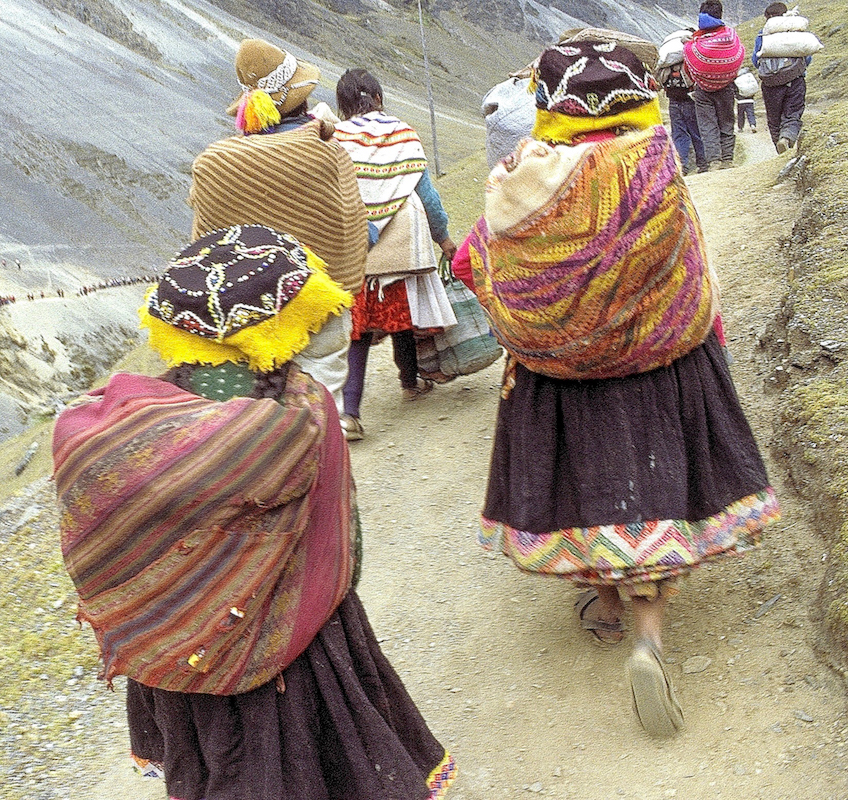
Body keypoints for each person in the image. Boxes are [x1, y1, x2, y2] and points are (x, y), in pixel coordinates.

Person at [52, 224, 456, 799]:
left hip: (180, 656)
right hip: (296, 649)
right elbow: (346, 548)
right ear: (279, 326)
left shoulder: (119, 427)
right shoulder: (302, 412)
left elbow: (110, 548)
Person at [453, 40, 779, 737]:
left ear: (551, 106)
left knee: (587, 480)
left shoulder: (520, 178)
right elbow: (692, 262)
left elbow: (473, 260)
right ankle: (649, 638)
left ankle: (604, 605)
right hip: (658, 364)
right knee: (652, 484)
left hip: (561, 376)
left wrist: (546, 315)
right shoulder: (656, 165)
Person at [189, 39, 368, 419]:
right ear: (301, 99)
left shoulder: (214, 165)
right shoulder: (324, 152)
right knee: (320, 408)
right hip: (319, 304)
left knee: (258, 415)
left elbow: (204, 246)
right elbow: (353, 226)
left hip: (247, 312)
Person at [330, 68, 458, 441]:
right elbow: (427, 195)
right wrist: (443, 238)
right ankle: (409, 383)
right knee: (399, 317)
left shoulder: (335, 139)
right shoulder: (403, 134)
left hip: (353, 243)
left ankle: (350, 414)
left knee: (359, 330)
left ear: (343, 105)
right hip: (401, 244)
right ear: (379, 98)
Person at [684, 1, 745, 170]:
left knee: (707, 126)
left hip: (702, 90)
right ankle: (728, 159)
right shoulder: (730, 36)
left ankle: (714, 161)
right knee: (726, 122)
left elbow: (688, 67)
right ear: (720, 15)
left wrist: (699, 79)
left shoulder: (694, 42)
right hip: (726, 87)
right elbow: (739, 54)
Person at [754, 1, 811, 153]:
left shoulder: (762, 34)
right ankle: (786, 138)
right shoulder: (796, 32)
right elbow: (807, 57)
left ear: (768, 18)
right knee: (793, 114)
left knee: (774, 120)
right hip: (795, 81)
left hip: (771, 85)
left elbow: (755, 60)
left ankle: (779, 149)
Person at [660, 54, 708, 174]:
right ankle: (703, 164)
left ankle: (682, 166)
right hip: (689, 101)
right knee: (696, 133)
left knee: (679, 134)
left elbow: (660, 83)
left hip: (673, 103)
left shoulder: (666, 68)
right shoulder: (689, 65)